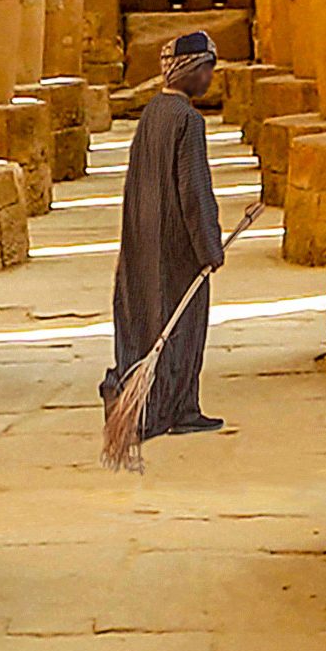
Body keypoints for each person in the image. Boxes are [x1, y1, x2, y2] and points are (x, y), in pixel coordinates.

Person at [103, 30, 230, 439]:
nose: (210, 76)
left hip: (143, 239)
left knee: (143, 320)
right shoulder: (188, 120)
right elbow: (195, 191)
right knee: (183, 325)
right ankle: (174, 408)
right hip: (177, 246)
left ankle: (142, 400)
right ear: (190, 71)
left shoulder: (153, 113)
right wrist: (209, 247)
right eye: (207, 68)